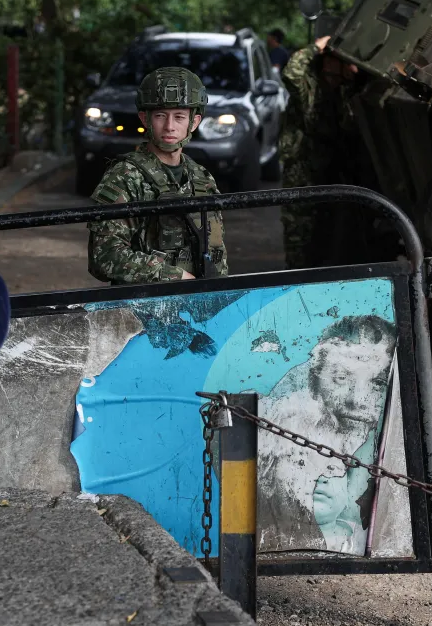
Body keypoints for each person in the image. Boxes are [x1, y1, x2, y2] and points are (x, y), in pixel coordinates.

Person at [256, 314, 396, 552]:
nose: (357, 400)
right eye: (341, 378)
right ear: (314, 380)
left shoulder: (388, 445)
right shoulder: (279, 425)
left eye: (378, 384)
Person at [87, 67, 229, 284]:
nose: (170, 126)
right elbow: (105, 255)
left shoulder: (202, 178)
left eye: (179, 116)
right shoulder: (125, 177)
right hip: (141, 305)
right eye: (161, 116)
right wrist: (173, 275)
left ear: (195, 122)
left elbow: (217, 253)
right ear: (145, 119)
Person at [278, 34, 366, 269]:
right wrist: (316, 47)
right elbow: (291, 72)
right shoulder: (310, 85)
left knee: (332, 236)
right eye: (336, 60)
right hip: (302, 168)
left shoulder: (347, 91)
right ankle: (298, 275)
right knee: (300, 231)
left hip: (333, 171)